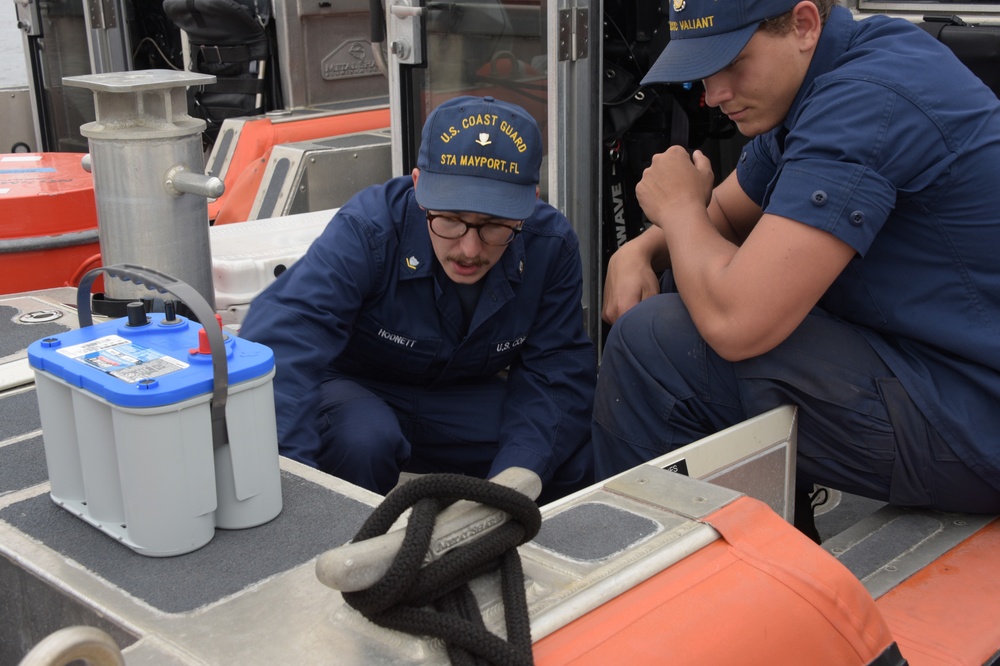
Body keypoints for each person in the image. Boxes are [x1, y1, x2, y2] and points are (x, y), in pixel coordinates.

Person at [592, 0, 1000, 535]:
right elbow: (726, 216)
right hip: (934, 365)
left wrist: (678, 210)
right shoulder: (832, 70)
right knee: (684, 277)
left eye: (732, 62)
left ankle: (656, 584)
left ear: (804, 25)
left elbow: (738, 321)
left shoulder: (865, 102)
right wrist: (640, 250)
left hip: (974, 412)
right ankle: (777, 552)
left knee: (656, 344)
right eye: (703, 71)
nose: (713, 95)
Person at [239, 95, 596, 503]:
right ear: (417, 187)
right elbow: (284, 339)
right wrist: (295, 486)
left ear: (528, 203)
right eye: (449, 220)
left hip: (455, 399)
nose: (468, 249)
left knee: (561, 452)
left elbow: (555, 372)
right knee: (364, 438)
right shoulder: (367, 229)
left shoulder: (550, 245)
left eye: (495, 226)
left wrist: (515, 482)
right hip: (352, 392)